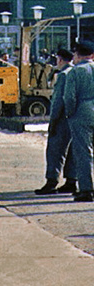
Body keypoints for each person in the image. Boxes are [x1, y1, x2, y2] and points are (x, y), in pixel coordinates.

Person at [36, 49, 77, 195]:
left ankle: (51, 181)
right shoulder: (77, 71)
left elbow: (58, 101)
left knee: (55, 150)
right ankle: (71, 181)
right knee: (73, 151)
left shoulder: (63, 75)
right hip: (77, 118)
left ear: (60, 60)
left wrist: (52, 121)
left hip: (62, 119)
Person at [61, 41, 94, 203]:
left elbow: (69, 97)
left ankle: (86, 189)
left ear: (78, 55)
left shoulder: (75, 72)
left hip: (82, 112)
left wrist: (70, 113)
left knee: (83, 153)